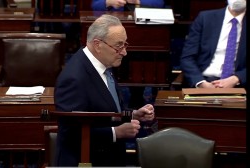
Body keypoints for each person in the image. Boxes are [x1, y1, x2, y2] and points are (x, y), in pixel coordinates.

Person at [54, 14, 155, 167]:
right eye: (118, 46)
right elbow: (71, 134)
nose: (124, 52)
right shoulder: (74, 78)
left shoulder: (103, 63)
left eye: (125, 45)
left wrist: (132, 114)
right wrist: (116, 133)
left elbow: (105, 109)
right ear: (97, 45)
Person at [180, 0, 246, 88]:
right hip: (204, 81)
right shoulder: (205, 18)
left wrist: (236, 78)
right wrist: (201, 83)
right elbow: (187, 57)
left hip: (239, 84)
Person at [92, 0, 165, 11]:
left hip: (141, 24)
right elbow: (94, 5)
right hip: (112, 23)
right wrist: (109, 2)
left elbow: (160, 3)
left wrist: (137, 1)